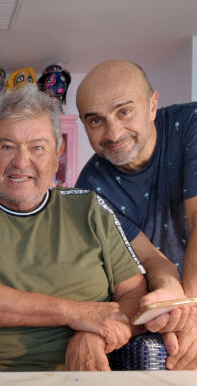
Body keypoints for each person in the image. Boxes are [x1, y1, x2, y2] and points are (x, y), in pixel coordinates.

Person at [0, 84, 149, 372]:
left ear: (58, 152)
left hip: (69, 376)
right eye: (7, 146)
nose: (21, 162)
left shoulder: (91, 209)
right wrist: (73, 313)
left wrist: (92, 335)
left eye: (37, 147)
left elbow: (136, 297)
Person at [75, 60, 197, 369]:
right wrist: (173, 298)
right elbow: (152, 259)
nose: (113, 133)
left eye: (124, 111)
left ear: (152, 104)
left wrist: (190, 309)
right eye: (95, 120)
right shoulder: (91, 189)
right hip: (168, 306)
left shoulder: (192, 125)